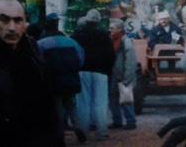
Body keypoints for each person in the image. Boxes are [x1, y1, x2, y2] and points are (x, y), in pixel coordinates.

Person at [0, 0, 62, 146]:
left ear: (25, 23)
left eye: (18, 20)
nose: (12, 27)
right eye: (4, 20)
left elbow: (49, 111)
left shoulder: (34, 56)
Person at [38, 12, 86, 143]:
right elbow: (81, 59)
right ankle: (78, 128)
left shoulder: (40, 43)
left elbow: (38, 63)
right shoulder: (70, 41)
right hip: (71, 79)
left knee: (57, 109)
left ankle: (60, 135)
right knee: (72, 106)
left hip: (53, 81)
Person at [72, 9, 115, 142]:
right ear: (98, 21)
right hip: (101, 72)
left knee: (83, 102)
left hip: (82, 70)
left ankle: (84, 132)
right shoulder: (104, 35)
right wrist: (108, 71)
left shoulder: (77, 35)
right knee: (100, 103)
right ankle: (101, 132)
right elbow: (111, 56)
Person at [108, 19, 137, 130]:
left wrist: (127, 78)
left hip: (123, 76)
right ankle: (117, 121)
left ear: (119, 29)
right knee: (113, 99)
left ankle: (131, 121)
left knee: (126, 99)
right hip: (114, 75)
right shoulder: (112, 41)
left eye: (112, 28)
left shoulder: (126, 42)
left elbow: (130, 61)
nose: (110, 30)